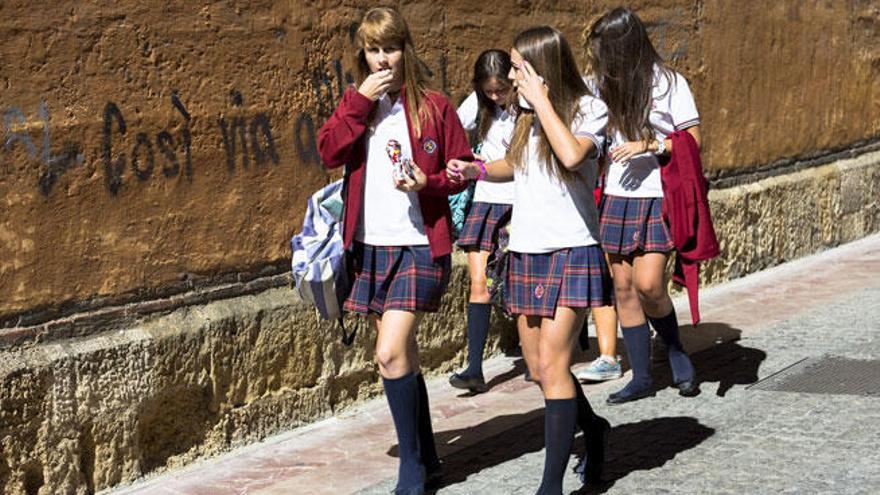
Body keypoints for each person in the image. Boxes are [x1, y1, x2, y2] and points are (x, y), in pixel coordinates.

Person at [449, 26, 613, 493]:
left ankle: (550, 487)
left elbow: (569, 153)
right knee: (540, 370)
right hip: (524, 250)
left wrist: (540, 102)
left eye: (519, 67)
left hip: (571, 249)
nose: (512, 77)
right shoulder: (521, 117)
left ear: (542, 69)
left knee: (557, 367)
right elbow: (513, 166)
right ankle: (595, 430)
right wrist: (476, 168)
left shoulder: (588, 110)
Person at [317, 7, 472, 494]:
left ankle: (410, 468)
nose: (383, 60)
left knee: (387, 354)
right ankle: (428, 459)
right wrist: (357, 105)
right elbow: (328, 151)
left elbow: (462, 169)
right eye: (373, 50)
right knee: (402, 356)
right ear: (362, 55)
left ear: (407, 50)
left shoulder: (434, 107)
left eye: (391, 48)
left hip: (420, 246)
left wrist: (430, 181)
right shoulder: (357, 107)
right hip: (370, 249)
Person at [586, 7, 701, 405]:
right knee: (623, 287)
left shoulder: (669, 83)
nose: (599, 58)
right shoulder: (601, 85)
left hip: (656, 195)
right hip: (616, 196)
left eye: (604, 50)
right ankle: (641, 376)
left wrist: (650, 144)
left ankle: (673, 348)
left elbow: (692, 141)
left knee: (650, 284)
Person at [448, 49, 515, 393]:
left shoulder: (526, 107)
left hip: (520, 203)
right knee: (480, 283)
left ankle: (538, 354)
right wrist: (466, 161)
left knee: (518, 280)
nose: (495, 96)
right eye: (489, 90)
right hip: (486, 202)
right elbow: (452, 132)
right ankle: (474, 368)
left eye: (501, 89)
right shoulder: (477, 104)